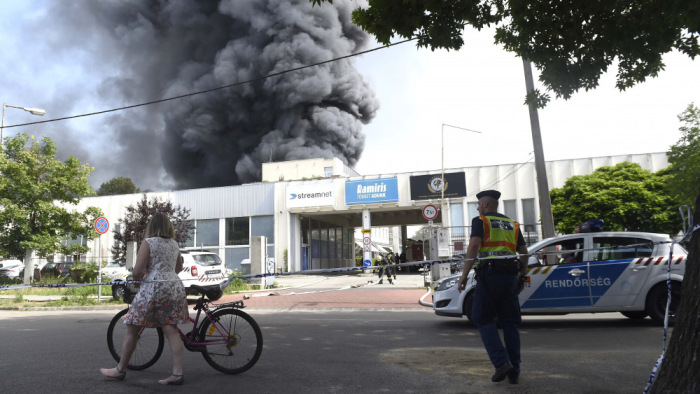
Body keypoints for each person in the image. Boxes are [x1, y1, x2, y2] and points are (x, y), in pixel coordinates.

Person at [100, 212, 190, 385]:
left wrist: (142, 277)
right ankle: (177, 374)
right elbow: (178, 268)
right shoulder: (174, 244)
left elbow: (137, 271)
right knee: (171, 329)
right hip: (173, 286)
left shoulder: (148, 243)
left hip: (153, 288)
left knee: (132, 326)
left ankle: (120, 370)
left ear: (152, 226)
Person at [457, 190, 528, 385]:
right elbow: (524, 253)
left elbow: (474, 246)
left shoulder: (481, 221)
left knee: (482, 318)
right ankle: (515, 371)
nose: (478, 208)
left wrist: (464, 275)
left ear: (485, 205)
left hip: (490, 276)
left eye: (479, 205)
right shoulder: (512, 224)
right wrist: (521, 275)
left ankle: (501, 362)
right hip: (510, 277)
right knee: (510, 323)